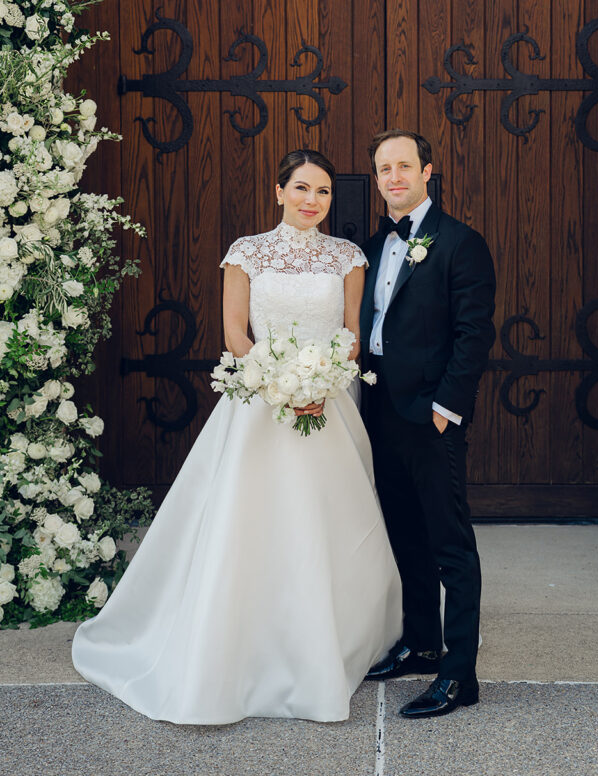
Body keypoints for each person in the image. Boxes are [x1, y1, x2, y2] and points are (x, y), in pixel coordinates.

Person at [71, 149, 402, 725]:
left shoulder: (348, 257)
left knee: (329, 524)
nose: (311, 201)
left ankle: (334, 641)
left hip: (326, 403)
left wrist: (322, 378)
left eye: (323, 192)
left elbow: (353, 333)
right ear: (278, 191)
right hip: (259, 403)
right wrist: (281, 384)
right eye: (301, 188)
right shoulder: (245, 253)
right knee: (250, 523)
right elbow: (234, 332)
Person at [361, 129, 496, 719]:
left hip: (432, 418)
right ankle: (421, 644)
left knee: (449, 544)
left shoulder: (460, 243)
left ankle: (458, 675)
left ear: (427, 171)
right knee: (404, 537)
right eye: (384, 169)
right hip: (381, 414)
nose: (394, 176)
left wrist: (447, 409)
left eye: (404, 166)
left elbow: (474, 334)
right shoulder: (371, 244)